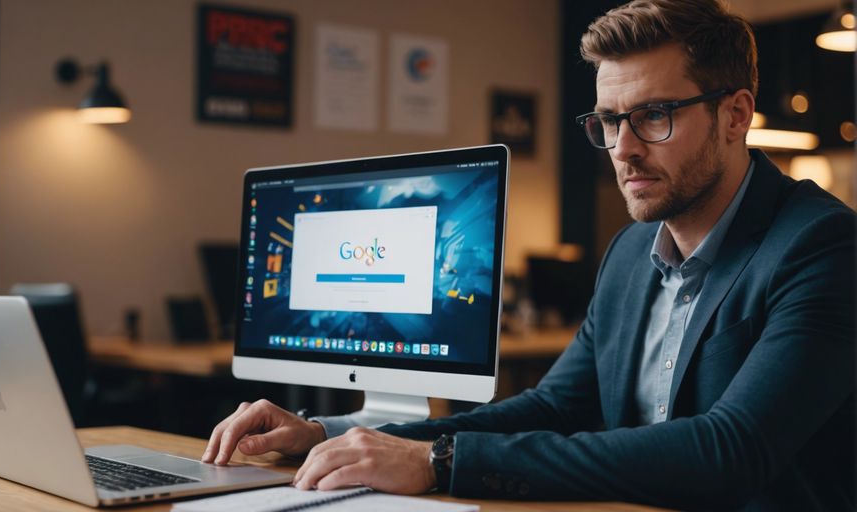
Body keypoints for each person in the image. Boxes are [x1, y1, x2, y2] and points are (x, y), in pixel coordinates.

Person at [202, 0, 856, 508]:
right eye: (608, 120)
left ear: (736, 115)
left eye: (655, 115)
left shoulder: (821, 247)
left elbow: (729, 451)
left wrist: (441, 463)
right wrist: (332, 436)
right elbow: (553, 407)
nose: (623, 149)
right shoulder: (631, 252)